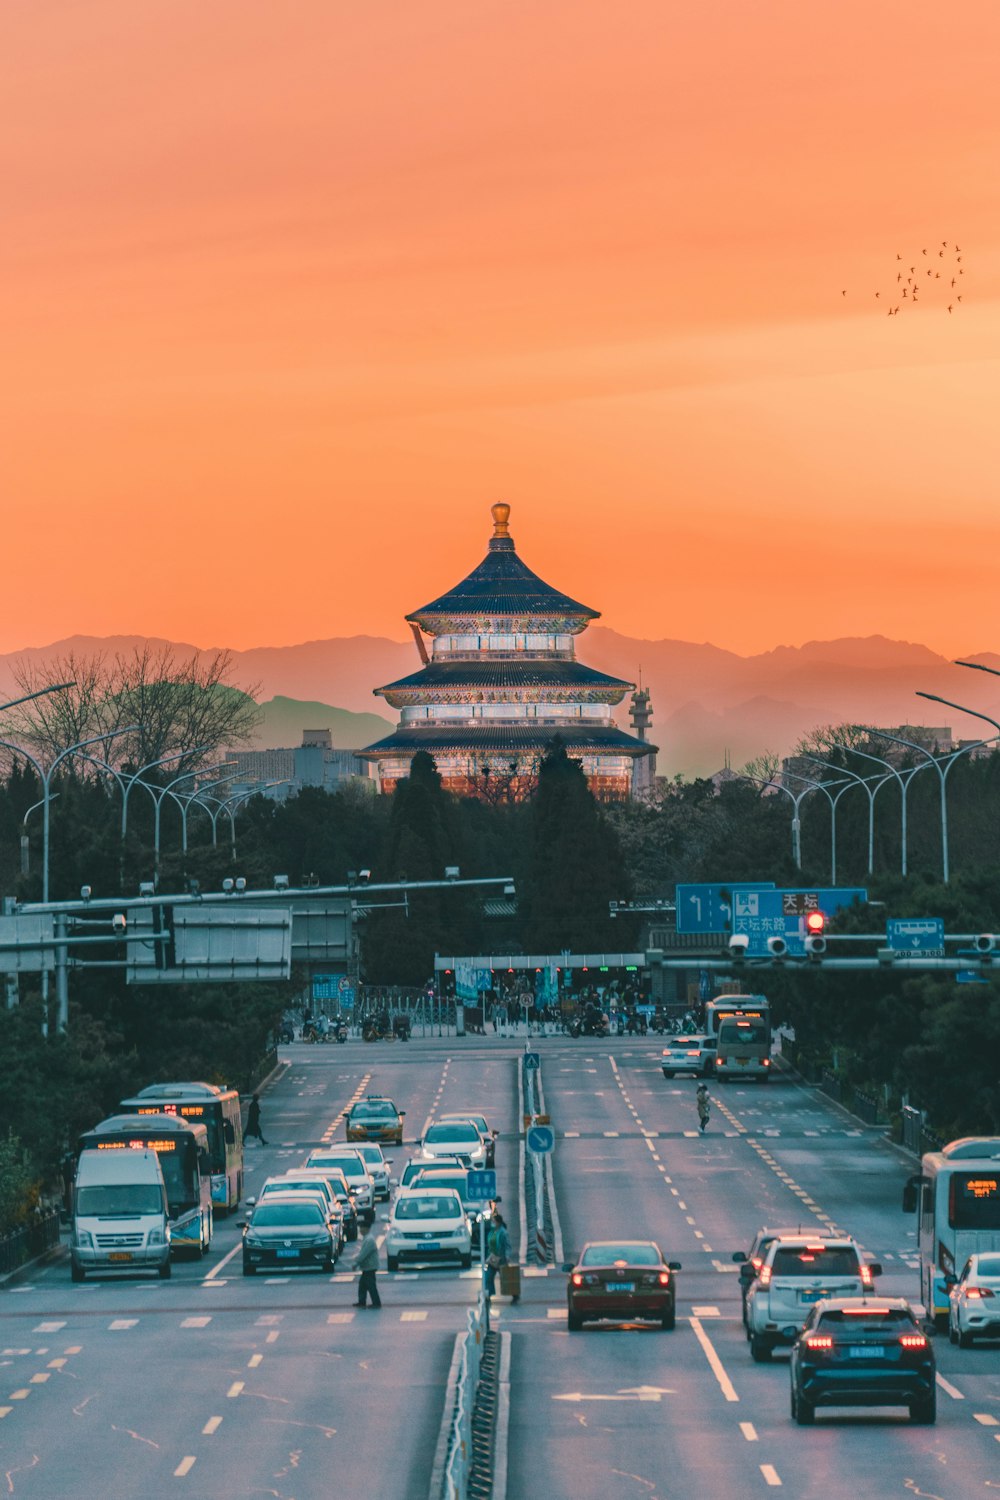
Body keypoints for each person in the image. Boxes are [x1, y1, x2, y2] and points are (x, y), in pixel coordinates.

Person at [353, 1211, 382, 1308]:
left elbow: (363, 1254)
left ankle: (376, 1303)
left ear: (367, 1229)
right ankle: (362, 1301)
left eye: (361, 1228)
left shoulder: (369, 1240)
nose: (360, 1230)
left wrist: (356, 1263)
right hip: (367, 1267)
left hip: (370, 1267)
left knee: (370, 1286)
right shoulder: (367, 1238)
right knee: (363, 1285)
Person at [485, 1211, 511, 1297]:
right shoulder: (492, 1232)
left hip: (501, 1259)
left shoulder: (503, 1233)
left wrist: (507, 1256)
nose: (492, 1223)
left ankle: (514, 1294)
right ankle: (488, 1294)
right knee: (488, 1277)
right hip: (492, 1259)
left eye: (494, 1221)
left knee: (506, 1279)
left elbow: (507, 1245)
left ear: (498, 1223)